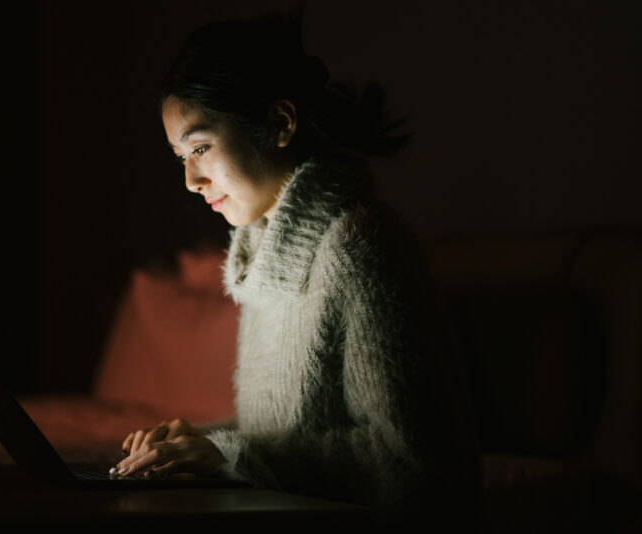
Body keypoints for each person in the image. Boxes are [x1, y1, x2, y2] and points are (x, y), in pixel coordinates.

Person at [110, 6, 482, 530]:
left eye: (200, 147)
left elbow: (416, 467)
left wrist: (231, 455)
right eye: (180, 157)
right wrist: (203, 445)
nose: (190, 180)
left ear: (280, 123)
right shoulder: (264, 250)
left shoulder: (358, 247)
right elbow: (298, 435)